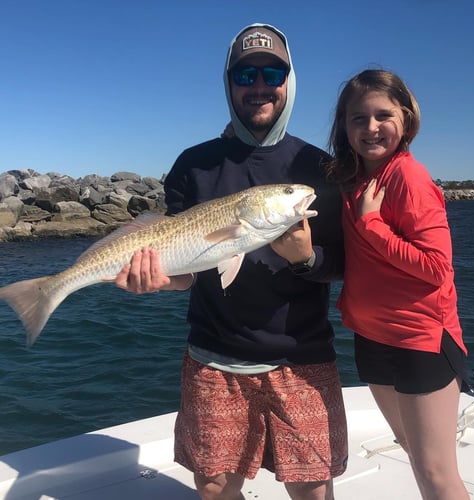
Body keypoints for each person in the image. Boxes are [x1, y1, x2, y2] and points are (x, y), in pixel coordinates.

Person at [115, 23, 348, 500]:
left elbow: (342, 262)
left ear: (289, 81)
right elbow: (185, 271)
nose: (259, 86)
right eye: (245, 76)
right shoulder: (192, 164)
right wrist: (158, 281)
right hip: (213, 357)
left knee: (313, 489)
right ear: (229, 84)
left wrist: (306, 259)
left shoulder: (319, 167)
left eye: (272, 73)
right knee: (216, 488)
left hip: (302, 357)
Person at [325, 68, 468, 500]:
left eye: (382, 115)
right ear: (344, 126)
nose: (371, 128)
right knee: (411, 451)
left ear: (405, 119)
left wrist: (372, 226)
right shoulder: (352, 181)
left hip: (420, 341)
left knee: (436, 473)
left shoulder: (408, 177)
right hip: (373, 337)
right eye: (357, 118)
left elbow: (436, 266)